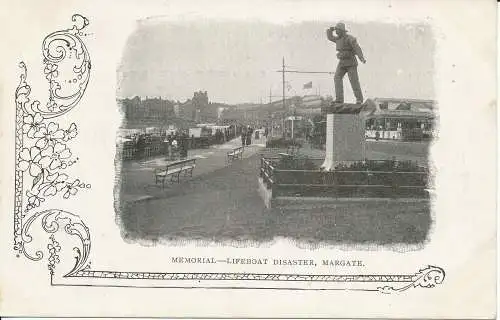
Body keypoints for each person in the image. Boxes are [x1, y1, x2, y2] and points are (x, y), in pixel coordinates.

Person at [326, 22, 366, 104]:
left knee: (354, 81)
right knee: (337, 78)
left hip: (351, 62)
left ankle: (359, 99)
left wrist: (361, 58)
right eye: (336, 31)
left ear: (342, 31)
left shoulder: (350, 38)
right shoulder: (337, 39)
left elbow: (357, 48)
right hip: (342, 62)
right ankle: (339, 99)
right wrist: (330, 30)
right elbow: (330, 37)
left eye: (337, 30)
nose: (336, 32)